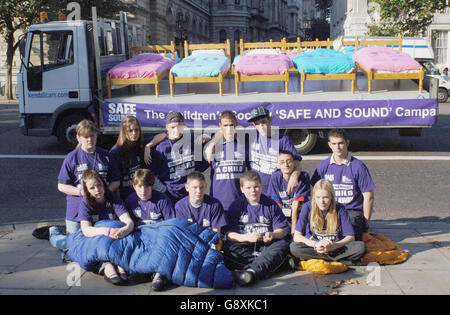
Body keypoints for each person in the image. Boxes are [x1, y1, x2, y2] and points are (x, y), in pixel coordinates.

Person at [51, 120, 118, 250]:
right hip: (76, 209)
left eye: (92, 136)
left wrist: (103, 193)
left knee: (98, 242)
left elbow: (116, 181)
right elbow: (61, 186)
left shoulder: (106, 156)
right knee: (72, 246)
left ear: (97, 135)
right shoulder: (72, 158)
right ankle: (53, 233)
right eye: (85, 137)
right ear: (78, 138)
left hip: (101, 207)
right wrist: (82, 192)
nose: (89, 140)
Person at [222, 171, 290, 286]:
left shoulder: (271, 205)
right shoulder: (236, 206)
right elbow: (229, 234)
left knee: (282, 245)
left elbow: (282, 231)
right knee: (228, 250)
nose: (253, 191)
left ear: (261, 186)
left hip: (265, 245)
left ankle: (251, 272)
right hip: (245, 245)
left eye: (256, 187)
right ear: (242, 189)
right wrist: (246, 237)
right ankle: (269, 266)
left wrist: (272, 235)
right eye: (248, 188)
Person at [311, 129, 375, 241]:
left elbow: (368, 197)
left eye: (341, 143)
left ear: (347, 143)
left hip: (351, 211)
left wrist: (366, 227)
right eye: (334, 144)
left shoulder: (358, 166)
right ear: (329, 145)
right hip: (329, 209)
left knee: (347, 236)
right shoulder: (323, 165)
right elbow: (314, 191)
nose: (338, 147)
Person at [289, 179, 366, 265]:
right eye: (318, 197)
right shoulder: (307, 206)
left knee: (360, 247)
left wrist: (334, 246)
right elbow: (297, 236)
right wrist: (316, 244)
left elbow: (351, 237)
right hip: (315, 247)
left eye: (325, 197)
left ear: (331, 197)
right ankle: (338, 260)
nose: (322, 201)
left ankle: (322, 259)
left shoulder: (340, 208)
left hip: (335, 247)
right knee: (294, 247)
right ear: (314, 197)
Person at [77, 169, 135, 285]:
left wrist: (125, 230)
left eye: (99, 185)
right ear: (87, 190)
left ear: (103, 184)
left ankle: (118, 262)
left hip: (114, 235)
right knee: (66, 243)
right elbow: (86, 230)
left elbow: (128, 222)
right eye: (92, 188)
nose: (97, 190)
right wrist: (107, 231)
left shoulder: (113, 198)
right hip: (98, 236)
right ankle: (106, 264)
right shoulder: (85, 203)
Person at [124, 168, 176, 291]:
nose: (143, 191)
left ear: (152, 186)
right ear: (134, 186)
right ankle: (143, 271)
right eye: (140, 186)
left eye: (147, 186)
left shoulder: (162, 200)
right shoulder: (130, 201)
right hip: (141, 239)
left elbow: (171, 226)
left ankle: (161, 274)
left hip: (160, 239)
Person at [149, 111, 209, 205]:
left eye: (180, 126)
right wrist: (164, 190)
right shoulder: (161, 147)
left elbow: (202, 166)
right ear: (167, 127)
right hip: (171, 196)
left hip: (192, 194)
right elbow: (152, 174)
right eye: (173, 127)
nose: (176, 130)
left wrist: (207, 142)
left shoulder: (192, 140)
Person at [247, 106, 303, 194]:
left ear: (270, 120)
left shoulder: (282, 140)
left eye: (263, 122)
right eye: (257, 123)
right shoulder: (251, 138)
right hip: (256, 191)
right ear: (254, 125)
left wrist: (294, 176)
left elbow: (297, 162)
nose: (261, 126)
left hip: (275, 190)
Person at [108, 116, 166, 200]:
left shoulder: (140, 144)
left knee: (164, 191)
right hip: (128, 196)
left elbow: (164, 134)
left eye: (136, 130)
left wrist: (148, 146)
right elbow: (116, 182)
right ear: (124, 132)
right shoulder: (115, 152)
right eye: (130, 130)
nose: (134, 133)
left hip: (145, 192)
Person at [205, 110, 250, 211]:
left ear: (236, 125)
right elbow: (207, 159)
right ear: (220, 125)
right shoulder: (213, 146)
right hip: (217, 202)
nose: (229, 129)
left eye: (231, 125)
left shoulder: (244, 144)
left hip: (239, 201)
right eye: (225, 125)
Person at [267, 150, 311, 236]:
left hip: (299, 213)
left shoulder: (303, 176)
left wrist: (294, 230)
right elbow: (277, 204)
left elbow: (295, 205)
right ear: (278, 165)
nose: (286, 165)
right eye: (282, 162)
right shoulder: (275, 177)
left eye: (289, 161)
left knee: (299, 233)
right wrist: (279, 224)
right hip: (283, 213)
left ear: (295, 163)